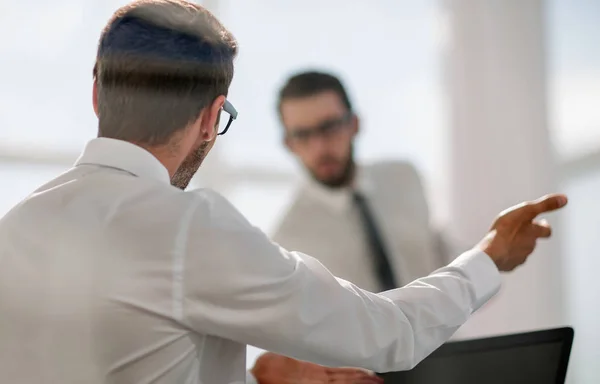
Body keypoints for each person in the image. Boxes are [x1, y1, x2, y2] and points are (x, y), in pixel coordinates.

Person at [0, 1, 567, 384]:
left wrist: (257, 375)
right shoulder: (187, 225)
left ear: (97, 93)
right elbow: (389, 333)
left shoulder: (13, 228)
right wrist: (491, 256)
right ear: (211, 117)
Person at [252, 70, 461, 381]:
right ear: (288, 144)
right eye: (302, 135)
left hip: (451, 365)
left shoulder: (405, 177)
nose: (320, 145)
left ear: (354, 123)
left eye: (329, 127)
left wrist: (491, 256)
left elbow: (442, 260)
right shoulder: (286, 241)